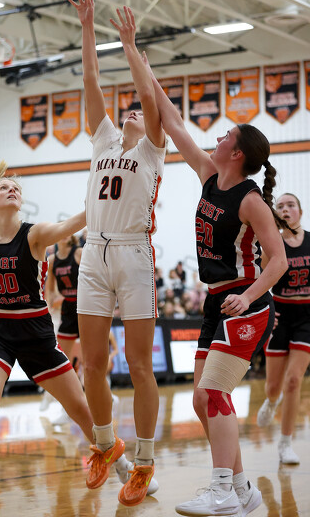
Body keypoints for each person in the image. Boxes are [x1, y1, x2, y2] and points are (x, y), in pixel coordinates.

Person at [0, 159, 132, 510]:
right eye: (4, 187)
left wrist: (95, 205)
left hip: (36, 333)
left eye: (16, 188)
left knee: (80, 408)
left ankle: (124, 466)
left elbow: (69, 225)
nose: (12, 190)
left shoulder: (35, 234)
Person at [144, 56, 288, 517]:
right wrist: (143, 66)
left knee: (215, 395)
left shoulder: (251, 201)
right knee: (200, 398)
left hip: (245, 303)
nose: (219, 137)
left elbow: (279, 260)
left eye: (227, 135)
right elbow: (173, 122)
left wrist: (247, 296)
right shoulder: (209, 175)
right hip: (215, 302)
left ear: (238, 153)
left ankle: (222, 489)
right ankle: (242, 489)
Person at [69, 0, 165, 507]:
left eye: (136, 111)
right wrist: (88, 26)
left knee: (140, 364)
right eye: (125, 110)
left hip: (134, 254)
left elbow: (148, 98)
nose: (130, 111)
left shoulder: (151, 149)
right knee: (93, 363)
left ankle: (145, 462)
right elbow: (90, 79)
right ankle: (106, 446)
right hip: (94, 253)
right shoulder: (103, 139)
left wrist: (129, 45)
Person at [257, 193, 310, 464]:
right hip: (280, 314)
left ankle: (285, 443)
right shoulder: (272, 244)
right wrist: (266, 310)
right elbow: (259, 280)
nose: (286, 209)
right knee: (274, 386)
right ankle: (271, 401)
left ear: (300, 211)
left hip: (307, 317)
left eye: (291, 205)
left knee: (293, 380)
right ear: (276, 214)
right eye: (280, 206)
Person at [45, 234, 82, 361]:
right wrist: (48, 309)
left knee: (89, 359)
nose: (65, 234)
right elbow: (50, 290)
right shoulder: (52, 260)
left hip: (83, 306)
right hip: (68, 307)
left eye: (68, 232)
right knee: (62, 358)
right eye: (61, 231)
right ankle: (72, 368)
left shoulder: (79, 253)